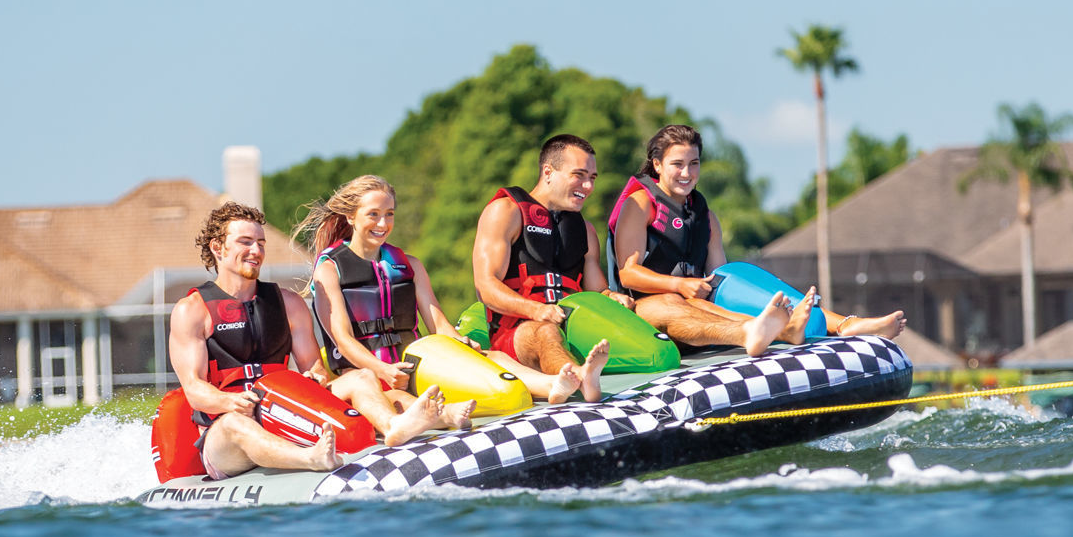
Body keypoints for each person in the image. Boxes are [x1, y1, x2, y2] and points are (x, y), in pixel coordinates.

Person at [608, 123, 907, 351]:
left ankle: (845, 324)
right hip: (646, 306)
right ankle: (777, 330)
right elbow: (629, 274)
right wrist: (679, 285)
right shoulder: (640, 205)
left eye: (694, 163)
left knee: (732, 280)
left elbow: (720, 276)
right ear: (658, 165)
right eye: (677, 164)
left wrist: (717, 288)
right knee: (683, 304)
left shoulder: (705, 216)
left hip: (695, 299)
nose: (687, 173)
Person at [167, 202, 341, 478]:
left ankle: (397, 429)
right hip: (224, 436)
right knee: (237, 424)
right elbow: (194, 389)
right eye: (245, 242)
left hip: (282, 412)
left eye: (261, 243)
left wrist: (317, 377)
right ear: (217, 247)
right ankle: (310, 458)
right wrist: (229, 402)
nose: (256, 251)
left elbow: (314, 367)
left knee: (358, 380)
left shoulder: (289, 304)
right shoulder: (192, 310)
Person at [296, 174, 474, 440]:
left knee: (492, 357)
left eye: (389, 214)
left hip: (411, 369)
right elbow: (342, 340)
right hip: (365, 375)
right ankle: (443, 415)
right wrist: (382, 370)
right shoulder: (329, 270)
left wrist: (462, 343)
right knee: (393, 396)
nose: (383, 223)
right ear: (351, 217)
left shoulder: (409, 265)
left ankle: (551, 386)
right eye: (373, 214)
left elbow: (438, 324)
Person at [470, 134, 624, 403]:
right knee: (545, 332)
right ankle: (581, 378)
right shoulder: (506, 211)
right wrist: (536, 310)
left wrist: (614, 298)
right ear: (548, 172)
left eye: (593, 177)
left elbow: (597, 290)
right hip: (518, 333)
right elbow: (486, 286)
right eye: (579, 175)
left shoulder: (584, 230)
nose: (587, 186)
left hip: (575, 327)